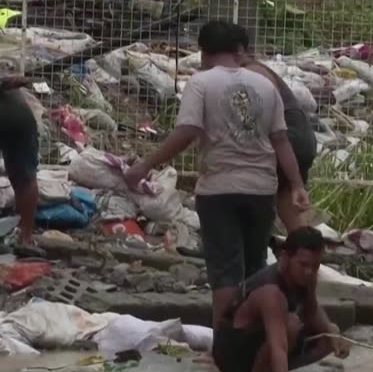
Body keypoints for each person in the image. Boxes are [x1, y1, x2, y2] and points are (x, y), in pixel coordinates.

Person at [123, 20, 310, 327]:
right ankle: (254, 337)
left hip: (219, 191)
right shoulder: (265, 85)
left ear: (204, 52)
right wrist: (298, 185)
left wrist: (145, 165)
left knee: (225, 270)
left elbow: (187, 131)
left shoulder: (202, 82)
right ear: (240, 51)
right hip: (262, 190)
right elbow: (280, 140)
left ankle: (224, 344)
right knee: (255, 266)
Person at [212, 226, 349, 372]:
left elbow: (312, 311)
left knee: (328, 336)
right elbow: (279, 345)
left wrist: (332, 333)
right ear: (286, 257)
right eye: (303, 265)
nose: (309, 272)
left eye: (315, 266)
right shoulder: (271, 292)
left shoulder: (308, 278)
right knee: (290, 324)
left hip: (266, 340)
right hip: (232, 353)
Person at [239, 49, 317, 233]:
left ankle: (240, 245)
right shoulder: (256, 69)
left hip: (289, 138)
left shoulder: (252, 72)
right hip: (302, 138)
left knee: (239, 183)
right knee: (286, 195)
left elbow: (262, 116)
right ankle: (304, 250)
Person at [0, 73, 44, 256]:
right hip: (16, 113)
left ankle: (24, 235)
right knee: (25, 177)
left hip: (12, 114)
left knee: (24, 178)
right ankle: (25, 237)